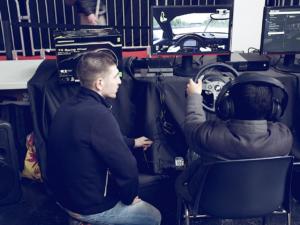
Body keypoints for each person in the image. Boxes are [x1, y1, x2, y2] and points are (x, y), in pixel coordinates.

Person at [46, 51, 161, 225]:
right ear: (99, 83)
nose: (120, 81)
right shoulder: (98, 115)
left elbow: (92, 139)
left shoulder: (68, 106)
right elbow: (126, 165)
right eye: (116, 76)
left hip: (62, 198)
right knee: (153, 216)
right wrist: (130, 198)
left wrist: (132, 142)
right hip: (88, 207)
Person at [176, 74, 293, 202]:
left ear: (228, 106)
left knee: (194, 152)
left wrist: (194, 96)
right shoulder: (284, 138)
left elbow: (193, 126)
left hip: (210, 201)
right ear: (273, 109)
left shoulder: (209, 138)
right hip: (266, 201)